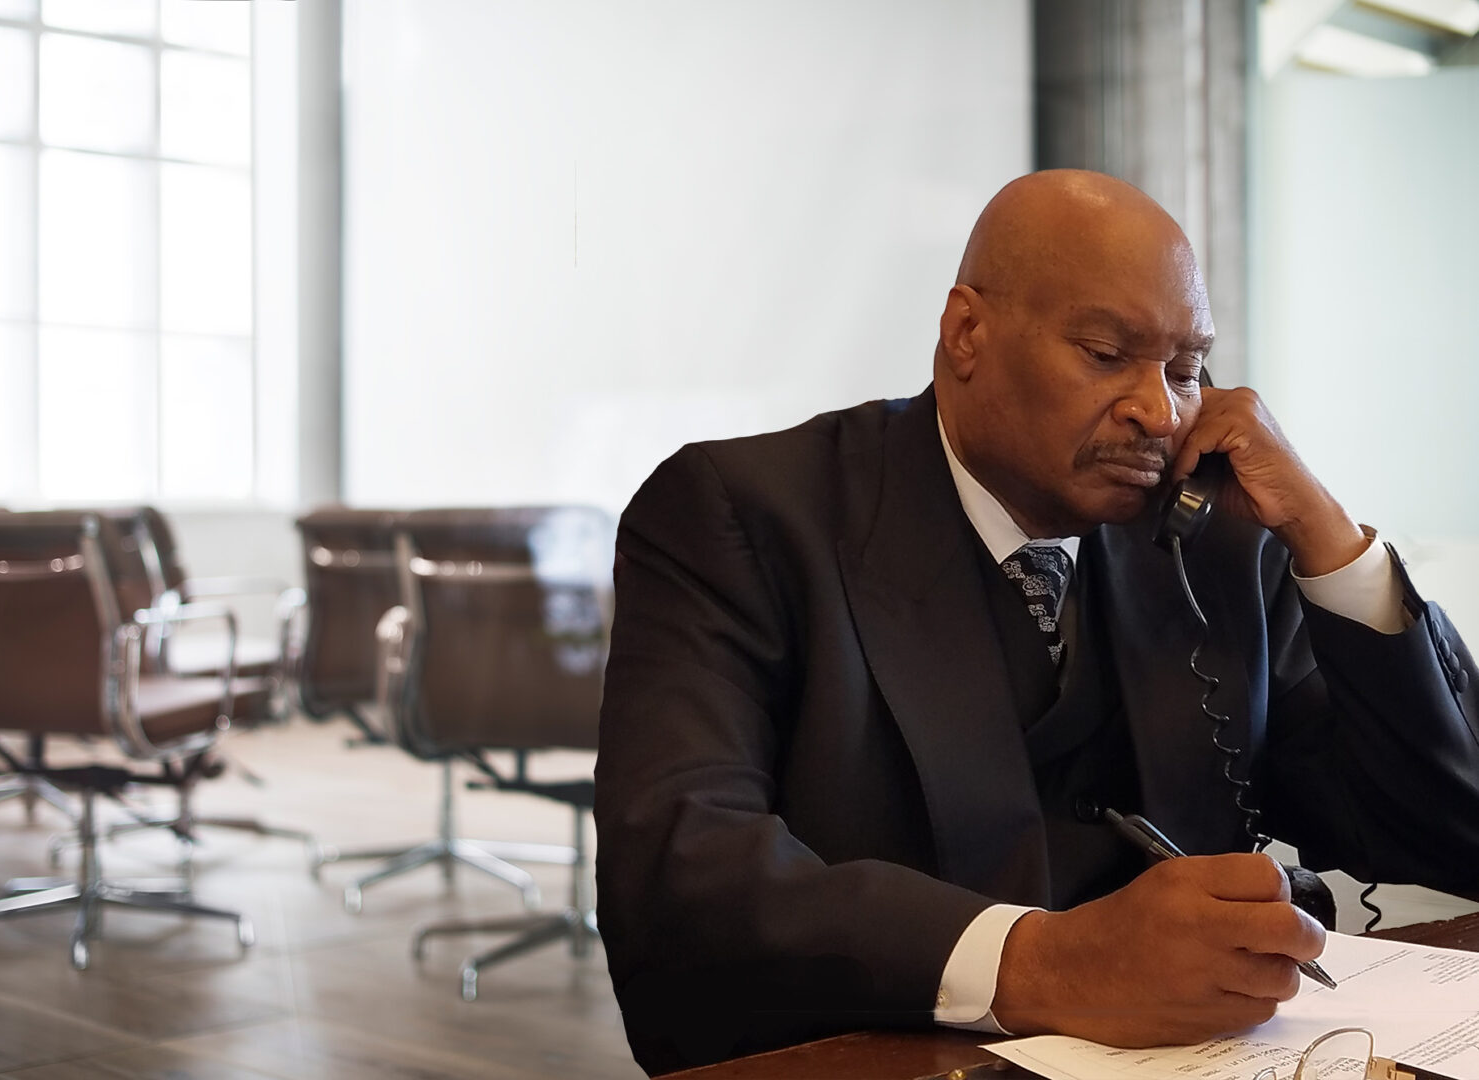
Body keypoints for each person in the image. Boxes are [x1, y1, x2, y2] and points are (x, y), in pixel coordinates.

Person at [592, 169, 1479, 1075]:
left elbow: (1449, 829)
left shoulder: (1219, 543)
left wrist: (1331, 542)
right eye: (1105, 353)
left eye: (1187, 369)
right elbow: (680, 871)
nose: (1160, 410)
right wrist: (1045, 963)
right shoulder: (743, 516)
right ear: (967, 332)